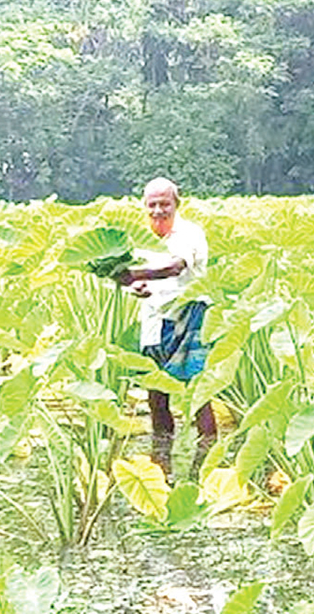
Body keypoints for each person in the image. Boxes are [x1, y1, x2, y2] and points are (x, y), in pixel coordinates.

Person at [117, 177, 215, 482]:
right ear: (144, 206)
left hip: (190, 314)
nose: (158, 210)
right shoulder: (142, 239)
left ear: (177, 204)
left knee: (198, 390)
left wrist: (131, 273)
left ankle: (208, 461)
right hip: (155, 318)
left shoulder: (189, 233)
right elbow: (137, 282)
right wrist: (134, 284)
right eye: (152, 204)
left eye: (164, 203)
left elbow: (175, 267)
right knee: (156, 395)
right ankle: (162, 461)